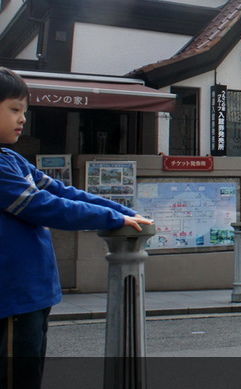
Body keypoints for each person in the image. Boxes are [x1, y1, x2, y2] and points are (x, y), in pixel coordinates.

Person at [0, 68, 152, 389]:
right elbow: (45, 206)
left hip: (32, 294)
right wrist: (112, 220)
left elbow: (64, 191)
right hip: (12, 296)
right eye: (14, 109)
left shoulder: (13, 159)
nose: (22, 119)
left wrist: (124, 212)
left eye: (24, 111)